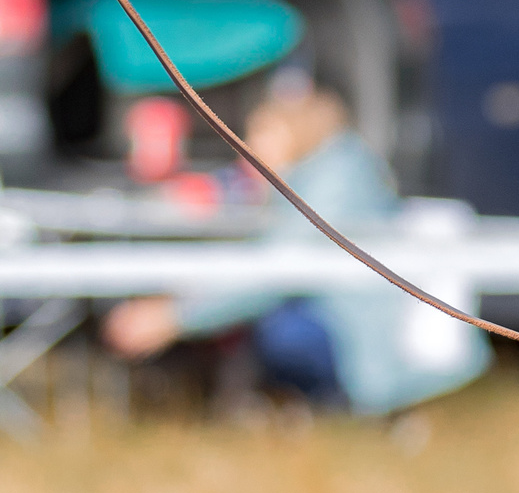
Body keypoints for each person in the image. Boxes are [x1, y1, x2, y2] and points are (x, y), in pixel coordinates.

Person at [101, 72, 488, 416]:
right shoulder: (319, 176)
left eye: (260, 134)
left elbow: (272, 271)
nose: (248, 146)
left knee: (278, 330)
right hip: (342, 315)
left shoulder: (332, 188)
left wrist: (172, 318)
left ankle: (329, 406)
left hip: (369, 343)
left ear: (295, 133)